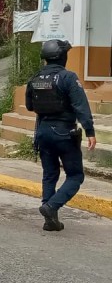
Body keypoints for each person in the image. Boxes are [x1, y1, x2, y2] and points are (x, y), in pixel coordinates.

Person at [25, 40, 97, 232]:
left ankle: (50, 220)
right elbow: (80, 105)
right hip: (64, 132)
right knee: (75, 175)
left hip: (42, 132)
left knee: (49, 174)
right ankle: (51, 206)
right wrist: (90, 131)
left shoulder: (35, 78)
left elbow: (30, 106)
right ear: (63, 56)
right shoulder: (67, 77)